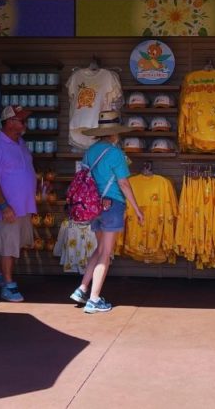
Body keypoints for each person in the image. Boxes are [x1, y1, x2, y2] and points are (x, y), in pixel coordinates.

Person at [69, 111, 144, 314]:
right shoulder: (115, 153)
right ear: (115, 133)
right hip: (112, 205)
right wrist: (137, 209)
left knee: (100, 248)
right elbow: (124, 183)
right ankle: (93, 300)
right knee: (106, 254)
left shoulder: (90, 151)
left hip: (93, 206)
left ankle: (82, 288)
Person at [0, 105, 38, 302]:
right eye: (22, 120)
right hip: (7, 209)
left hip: (22, 207)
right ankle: (8, 284)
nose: (25, 124)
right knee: (7, 246)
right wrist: (4, 206)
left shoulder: (20, 143)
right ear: (9, 122)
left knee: (16, 244)